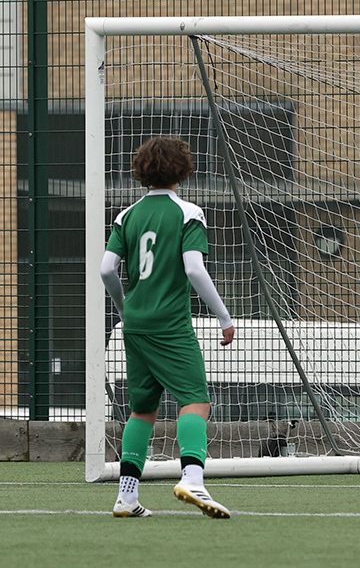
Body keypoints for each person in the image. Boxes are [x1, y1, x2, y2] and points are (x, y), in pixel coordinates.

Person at [101, 137, 236, 519]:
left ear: (141, 171)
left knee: (142, 410)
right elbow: (194, 268)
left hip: (136, 323)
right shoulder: (187, 212)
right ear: (183, 169)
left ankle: (126, 497)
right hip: (170, 324)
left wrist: (125, 308)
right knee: (195, 400)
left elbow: (106, 269)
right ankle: (192, 478)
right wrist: (224, 317)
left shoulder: (126, 216)